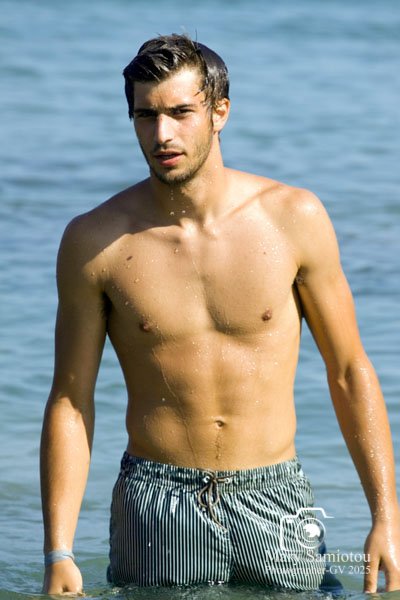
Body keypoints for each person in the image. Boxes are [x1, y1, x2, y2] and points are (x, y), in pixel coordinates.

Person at [40, 34, 400, 595]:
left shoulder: (294, 218)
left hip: (275, 497)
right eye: (146, 116)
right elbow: (70, 399)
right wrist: (58, 552)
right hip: (157, 504)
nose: (162, 134)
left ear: (220, 112)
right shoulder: (95, 242)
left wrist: (386, 517)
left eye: (181, 112)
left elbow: (349, 371)